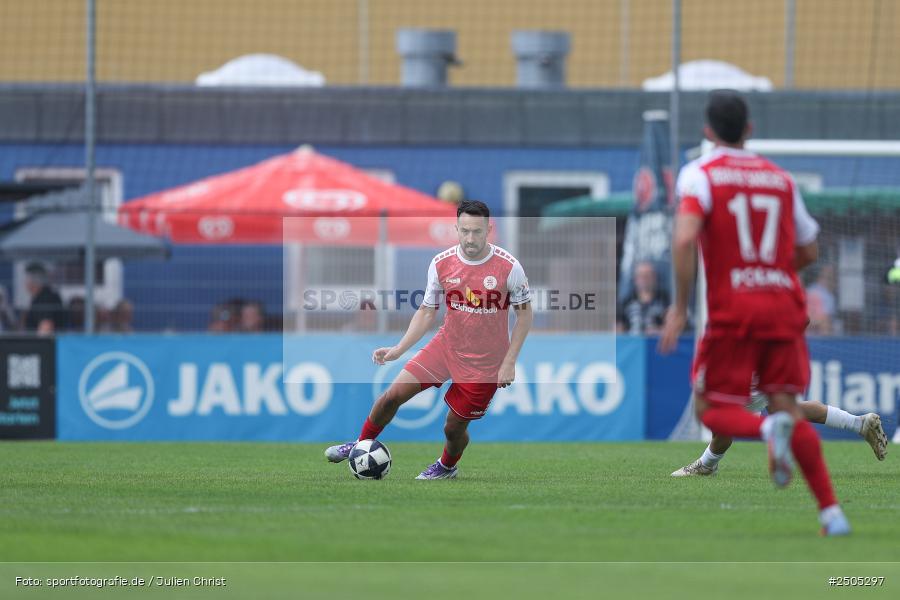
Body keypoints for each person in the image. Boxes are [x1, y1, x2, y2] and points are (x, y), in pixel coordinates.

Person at [659, 90, 850, 536]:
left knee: (712, 410)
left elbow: (685, 238)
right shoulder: (780, 178)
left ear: (708, 132)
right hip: (784, 306)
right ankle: (831, 514)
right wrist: (771, 273)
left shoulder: (700, 174)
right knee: (785, 404)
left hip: (735, 311)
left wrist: (681, 305)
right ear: (750, 129)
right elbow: (809, 249)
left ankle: (768, 434)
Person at [324, 200, 533, 479]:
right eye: (466, 231)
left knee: (453, 429)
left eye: (477, 232)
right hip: (446, 347)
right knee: (392, 397)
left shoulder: (509, 268)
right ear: (457, 229)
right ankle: (360, 445)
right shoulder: (441, 263)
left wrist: (509, 362)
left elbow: (525, 316)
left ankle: (447, 466)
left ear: (489, 230)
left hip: (485, 364)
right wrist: (399, 349)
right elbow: (426, 312)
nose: (471, 238)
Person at [620, 261, 669, 334]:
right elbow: (619, 329)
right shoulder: (626, 303)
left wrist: (659, 331)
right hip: (632, 343)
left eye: (648, 276)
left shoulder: (665, 300)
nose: (645, 279)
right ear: (635, 279)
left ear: (654, 277)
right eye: (641, 276)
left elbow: (673, 327)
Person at [24, 262, 66, 335]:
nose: (25, 282)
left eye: (27, 278)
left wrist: (36, 345)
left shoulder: (45, 298)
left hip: (47, 345)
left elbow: (46, 327)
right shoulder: (42, 296)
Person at [806, 264, 836, 334]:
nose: (829, 281)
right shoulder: (812, 291)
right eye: (827, 277)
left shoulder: (828, 295)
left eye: (831, 278)